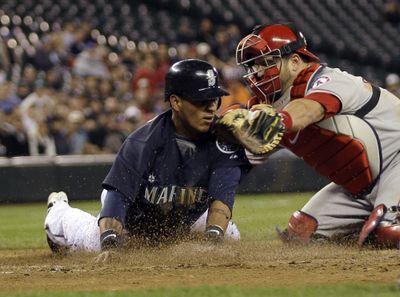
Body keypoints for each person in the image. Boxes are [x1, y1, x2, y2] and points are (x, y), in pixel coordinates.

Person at [44, 59, 250, 253]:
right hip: (133, 217)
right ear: (176, 102)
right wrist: (110, 243)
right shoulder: (143, 142)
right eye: (201, 100)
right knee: (95, 243)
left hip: (184, 216)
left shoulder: (224, 142)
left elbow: (221, 201)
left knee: (229, 238)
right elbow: (118, 196)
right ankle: (59, 212)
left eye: (214, 99)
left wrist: (212, 242)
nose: (211, 107)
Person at [230, 23, 400, 248]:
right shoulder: (267, 107)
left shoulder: (327, 79)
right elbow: (241, 162)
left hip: (395, 163)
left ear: (295, 61)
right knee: (301, 234)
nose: (259, 71)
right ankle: (374, 222)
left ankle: (380, 222)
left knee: (387, 233)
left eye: (268, 62)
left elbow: (309, 109)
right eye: (254, 64)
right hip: (361, 187)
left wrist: (275, 121)